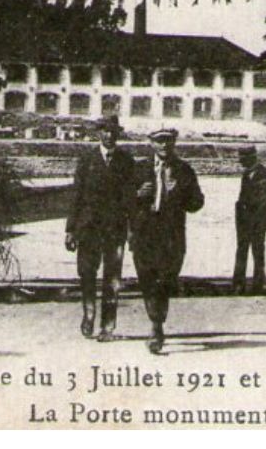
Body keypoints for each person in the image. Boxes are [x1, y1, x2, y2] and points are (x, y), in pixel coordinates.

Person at [131, 127, 204, 355]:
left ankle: (156, 325)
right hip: (144, 233)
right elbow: (121, 201)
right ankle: (156, 324)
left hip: (171, 236)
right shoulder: (139, 168)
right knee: (146, 279)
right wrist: (137, 195)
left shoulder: (184, 170)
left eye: (168, 141)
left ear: (174, 143)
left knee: (164, 281)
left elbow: (197, 203)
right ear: (151, 142)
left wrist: (181, 191)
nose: (164, 146)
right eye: (159, 141)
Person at [65, 116, 135, 340]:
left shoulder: (126, 160)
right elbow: (76, 195)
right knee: (86, 272)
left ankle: (108, 326)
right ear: (98, 133)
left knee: (112, 278)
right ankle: (89, 313)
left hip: (115, 228)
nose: (109, 135)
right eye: (105, 131)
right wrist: (70, 229)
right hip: (88, 228)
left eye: (113, 131)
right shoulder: (87, 159)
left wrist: (132, 229)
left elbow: (131, 199)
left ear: (118, 134)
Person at [232, 144, 266, 294]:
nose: (240, 162)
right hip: (244, 220)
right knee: (242, 251)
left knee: (258, 252)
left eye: (242, 159)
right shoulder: (247, 174)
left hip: (258, 220)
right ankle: (238, 284)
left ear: (251, 158)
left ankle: (257, 285)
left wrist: (262, 212)